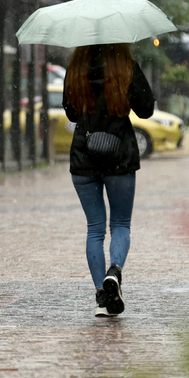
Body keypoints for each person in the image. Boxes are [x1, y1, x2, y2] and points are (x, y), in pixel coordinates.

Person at [63, 43, 154, 317]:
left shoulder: (76, 68)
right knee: (120, 224)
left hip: (84, 156)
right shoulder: (127, 67)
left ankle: (102, 296)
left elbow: (71, 113)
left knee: (94, 229)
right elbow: (146, 110)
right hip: (120, 157)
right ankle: (113, 272)